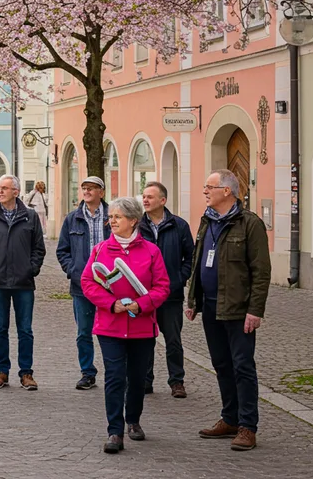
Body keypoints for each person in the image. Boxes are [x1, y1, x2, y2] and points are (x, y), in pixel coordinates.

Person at [186, 170, 271, 452]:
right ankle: (230, 418)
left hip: (238, 309)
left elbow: (261, 271)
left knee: (242, 366)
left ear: (227, 191)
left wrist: (255, 310)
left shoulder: (249, 224)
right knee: (222, 365)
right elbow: (199, 261)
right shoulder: (207, 221)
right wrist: (193, 300)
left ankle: (248, 426)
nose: (205, 191)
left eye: (209, 187)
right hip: (211, 306)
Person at [81, 197, 170, 454]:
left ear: (133, 220)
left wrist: (142, 305)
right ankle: (115, 431)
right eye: (111, 217)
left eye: (117, 217)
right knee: (115, 376)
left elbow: (162, 286)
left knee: (138, 377)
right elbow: (88, 282)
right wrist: (112, 304)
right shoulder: (100, 250)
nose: (112, 221)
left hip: (142, 326)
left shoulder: (151, 251)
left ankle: (133, 419)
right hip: (110, 325)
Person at [0, 175, 45, 390]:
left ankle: (26, 373)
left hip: (23, 282)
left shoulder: (29, 216)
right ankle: (1, 371)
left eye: (5, 188)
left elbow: (39, 248)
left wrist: (31, 269)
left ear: (16, 191)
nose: (0, 191)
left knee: (25, 330)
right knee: (0, 329)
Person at [139, 181, 194, 398]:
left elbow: (190, 257)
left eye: (150, 197)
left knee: (173, 340)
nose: (145, 200)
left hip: (170, 295)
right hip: (144, 295)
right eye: (144, 196)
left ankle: (177, 381)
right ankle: (145, 380)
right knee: (145, 339)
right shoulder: (137, 226)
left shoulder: (179, 226)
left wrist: (179, 279)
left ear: (163, 200)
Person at [55, 176, 111, 390]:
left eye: (92, 188)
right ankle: (87, 373)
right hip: (82, 286)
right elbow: (62, 250)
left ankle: (114, 371)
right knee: (83, 332)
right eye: (84, 188)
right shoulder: (72, 219)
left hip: (111, 285)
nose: (87, 191)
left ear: (101, 192)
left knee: (111, 331)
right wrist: (73, 271)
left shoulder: (113, 216)